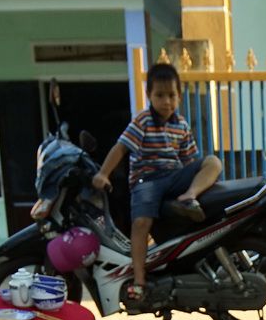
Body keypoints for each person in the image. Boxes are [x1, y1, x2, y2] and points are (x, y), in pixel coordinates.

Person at [92, 61, 222, 305]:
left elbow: (190, 160)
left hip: (174, 178)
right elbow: (121, 148)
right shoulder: (142, 121)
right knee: (140, 223)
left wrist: (191, 185)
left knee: (213, 162)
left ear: (180, 97)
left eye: (172, 95)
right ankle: (139, 280)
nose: (166, 101)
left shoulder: (181, 125)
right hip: (147, 180)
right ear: (149, 95)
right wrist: (103, 174)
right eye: (160, 95)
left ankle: (190, 197)